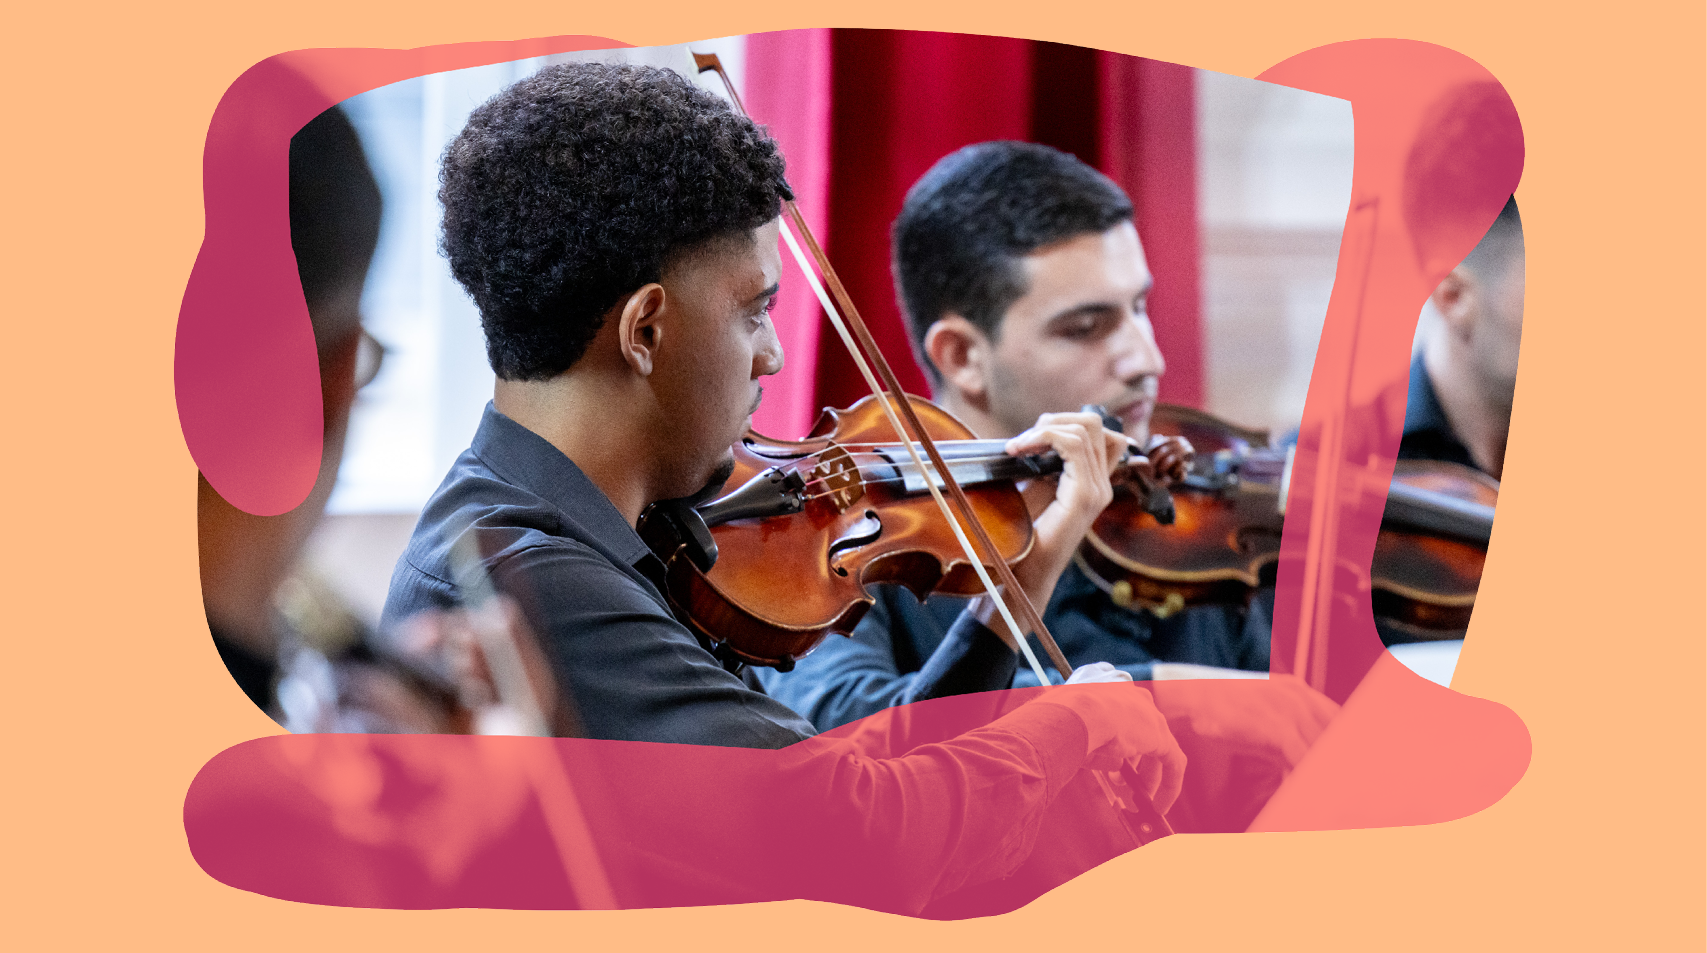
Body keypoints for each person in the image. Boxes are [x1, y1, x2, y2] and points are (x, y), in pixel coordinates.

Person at [377, 62, 1187, 843]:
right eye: (753, 310)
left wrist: (1025, 570)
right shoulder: (530, 582)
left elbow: (825, 766)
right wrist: (1067, 731)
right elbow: (851, 832)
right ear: (645, 330)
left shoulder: (578, 533)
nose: (770, 354)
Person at [758, 143, 1333, 761]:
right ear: (963, 356)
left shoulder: (1190, 523)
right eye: (1085, 328)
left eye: (1139, 308)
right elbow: (842, 733)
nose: (1146, 360)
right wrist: (1155, 696)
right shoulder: (847, 535)